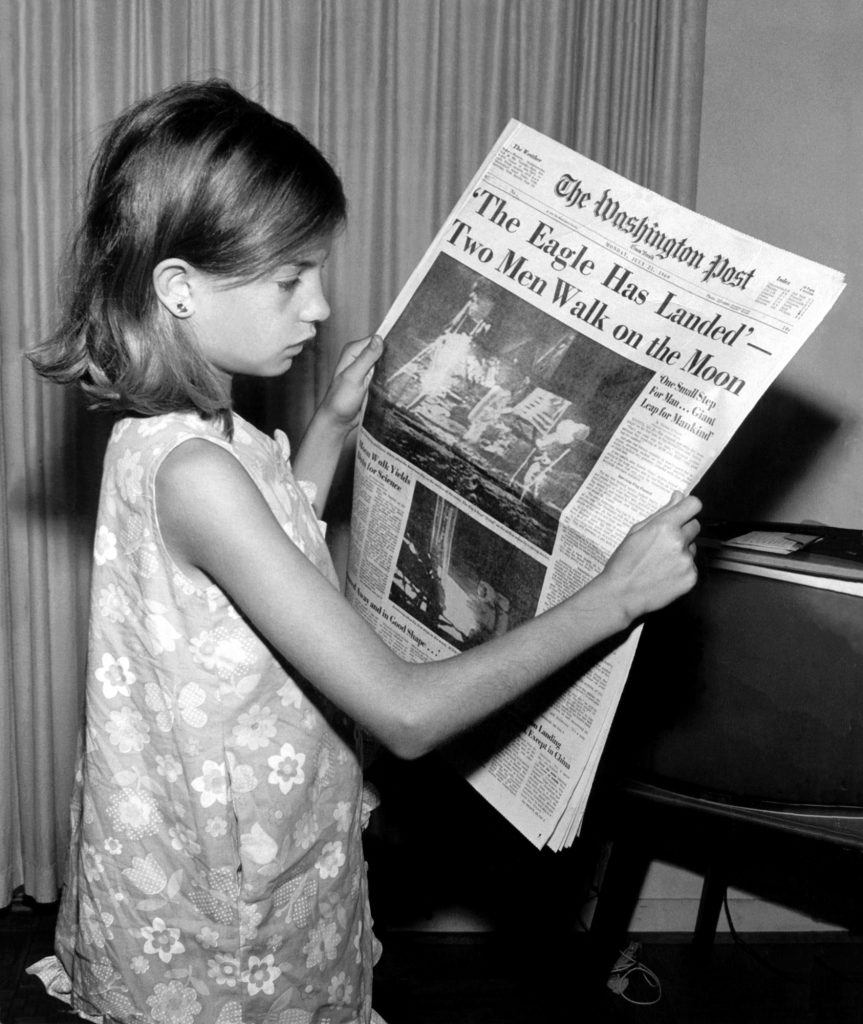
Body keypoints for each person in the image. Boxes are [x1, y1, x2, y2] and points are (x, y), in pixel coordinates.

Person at [25, 79, 701, 1024]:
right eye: (289, 279)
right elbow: (405, 715)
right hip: (228, 908)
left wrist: (332, 431)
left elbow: (261, 567)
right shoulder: (196, 470)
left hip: (258, 844)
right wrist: (612, 597)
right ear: (178, 288)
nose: (319, 305)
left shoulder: (187, 433)